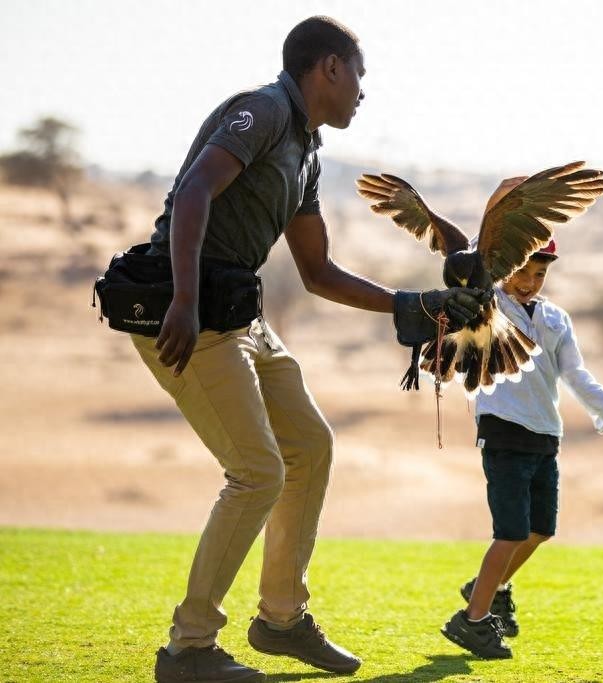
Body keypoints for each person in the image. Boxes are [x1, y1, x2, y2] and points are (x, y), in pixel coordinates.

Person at [134, 17, 488, 683]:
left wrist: (416, 305)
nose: (362, 92)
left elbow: (318, 272)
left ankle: (280, 620)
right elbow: (192, 192)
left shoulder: (308, 153)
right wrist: (181, 298)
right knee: (258, 470)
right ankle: (189, 649)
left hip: (237, 314)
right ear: (329, 68)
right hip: (185, 310)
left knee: (310, 444)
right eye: (359, 74)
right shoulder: (264, 112)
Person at [440, 193, 603, 659]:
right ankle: (471, 620)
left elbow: (577, 377)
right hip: (503, 430)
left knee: (540, 530)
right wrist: (506, 196)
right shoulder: (488, 306)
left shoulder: (556, 319)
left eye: (540, 273)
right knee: (510, 532)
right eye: (523, 270)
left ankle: (486, 588)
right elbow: (476, 256)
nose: (530, 281)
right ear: (504, 264)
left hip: (545, 436)